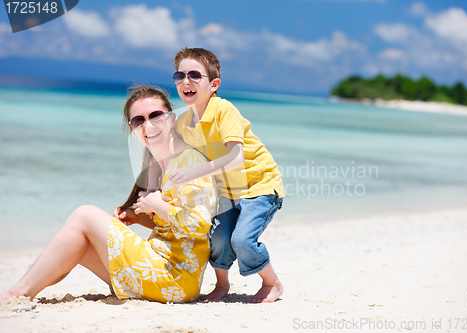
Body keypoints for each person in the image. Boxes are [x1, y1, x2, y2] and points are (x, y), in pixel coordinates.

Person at [0, 85, 216, 303]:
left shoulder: (190, 161)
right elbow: (176, 231)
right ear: (132, 128)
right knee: (77, 245)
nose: (147, 125)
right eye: (138, 120)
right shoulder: (157, 165)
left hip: (174, 278)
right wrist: (140, 217)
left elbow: (199, 227)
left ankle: (18, 293)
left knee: (85, 215)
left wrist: (157, 206)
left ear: (171, 118)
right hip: (161, 270)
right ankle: (21, 292)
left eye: (156, 116)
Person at [154, 47, 285, 303]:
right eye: (179, 76)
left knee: (242, 240)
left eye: (194, 75)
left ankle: (272, 283)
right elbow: (166, 153)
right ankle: (222, 285)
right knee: (219, 241)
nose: (186, 81)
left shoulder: (225, 111)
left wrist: (193, 172)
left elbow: (235, 158)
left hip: (259, 186)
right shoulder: (183, 123)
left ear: (214, 84)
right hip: (226, 191)